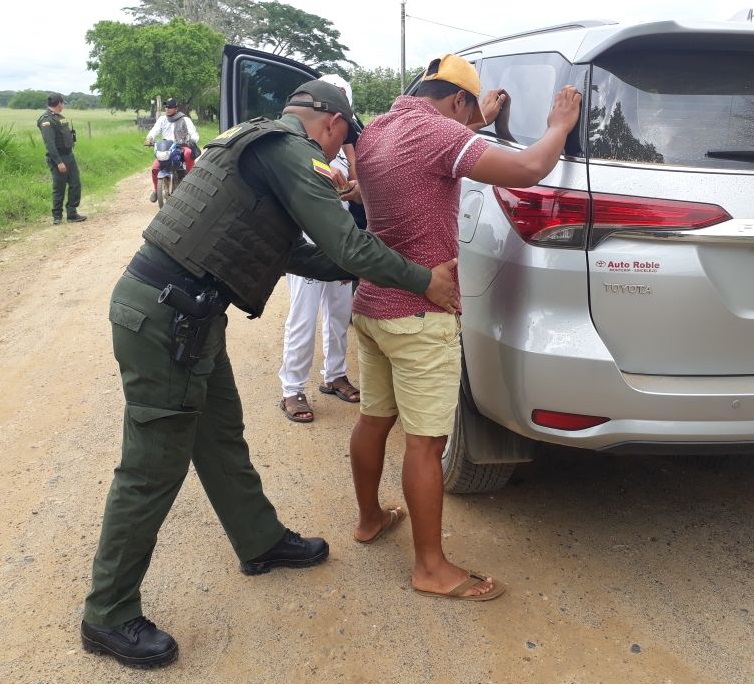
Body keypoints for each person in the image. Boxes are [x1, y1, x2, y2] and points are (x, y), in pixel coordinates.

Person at [80, 79, 459, 669]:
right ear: (331, 122)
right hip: (165, 320)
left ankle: (259, 540)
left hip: (187, 316)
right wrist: (420, 278)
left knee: (220, 435)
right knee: (151, 468)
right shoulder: (291, 152)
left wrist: (365, 272)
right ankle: (108, 613)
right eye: (342, 143)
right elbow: (348, 245)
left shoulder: (256, 142)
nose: (338, 156)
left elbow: (290, 253)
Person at [349, 54, 581, 601]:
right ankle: (430, 568)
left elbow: (441, 142)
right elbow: (527, 170)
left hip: (372, 305)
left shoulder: (383, 125)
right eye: (468, 113)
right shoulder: (436, 135)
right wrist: (558, 127)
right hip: (419, 315)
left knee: (373, 420)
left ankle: (368, 519)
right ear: (457, 101)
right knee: (426, 444)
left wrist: (478, 121)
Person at [278, 74, 362, 423]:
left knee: (339, 313)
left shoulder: (344, 144)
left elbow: (357, 182)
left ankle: (334, 375)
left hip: (339, 242)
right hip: (309, 245)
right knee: (303, 316)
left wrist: (352, 166)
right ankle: (292, 389)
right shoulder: (296, 145)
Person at [37, 92, 85, 225]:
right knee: (59, 187)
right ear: (59, 104)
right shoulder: (46, 120)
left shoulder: (59, 117)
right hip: (58, 157)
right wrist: (59, 162)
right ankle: (57, 216)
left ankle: (72, 213)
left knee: (75, 184)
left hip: (69, 155)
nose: (63, 105)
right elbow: (50, 144)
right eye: (63, 103)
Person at [144, 98, 199, 202]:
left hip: (181, 145)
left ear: (176, 108)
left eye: (170, 107)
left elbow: (194, 133)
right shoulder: (162, 119)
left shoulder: (185, 119)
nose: (167, 109)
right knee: (155, 168)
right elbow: (154, 131)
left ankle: (191, 178)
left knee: (188, 153)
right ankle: (156, 191)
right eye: (166, 107)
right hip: (167, 147)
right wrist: (149, 139)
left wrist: (192, 140)